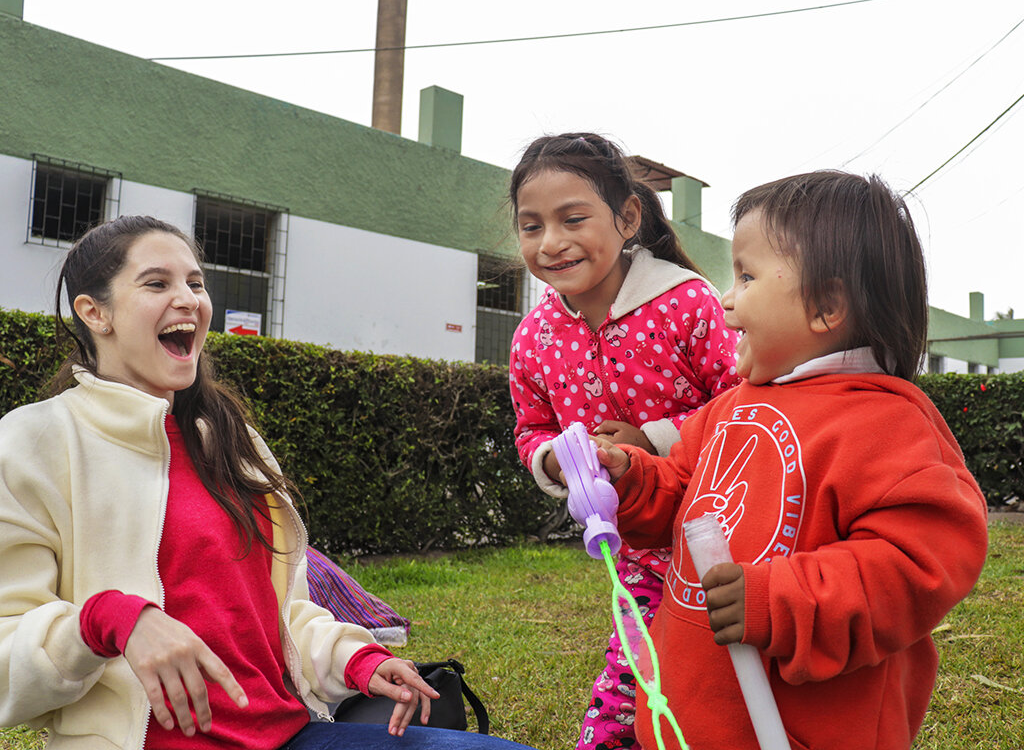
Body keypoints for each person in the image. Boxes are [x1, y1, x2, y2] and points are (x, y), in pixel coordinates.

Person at [0, 215, 535, 750]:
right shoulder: (34, 442)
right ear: (95, 313)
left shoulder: (234, 441)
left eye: (196, 282)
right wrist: (108, 621)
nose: (188, 298)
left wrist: (357, 658)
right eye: (157, 283)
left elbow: (279, 617)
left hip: (290, 738)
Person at [574, 171, 989, 750]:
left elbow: (916, 564)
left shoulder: (888, 424)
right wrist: (630, 479)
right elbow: (680, 491)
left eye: (745, 275)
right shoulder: (729, 409)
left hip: (794, 732)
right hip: (686, 721)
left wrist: (779, 601)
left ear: (826, 305)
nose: (726, 298)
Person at [507, 133, 739, 750]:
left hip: (719, 532)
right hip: (631, 548)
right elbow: (530, 426)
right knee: (633, 677)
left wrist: (655, 438)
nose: (551, 242)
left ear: (628, 217)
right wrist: (551, 458)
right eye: (531, 227)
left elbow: (744, 404)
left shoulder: (688, 302)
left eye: (572, 219)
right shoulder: (533, 336)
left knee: (727, 676)